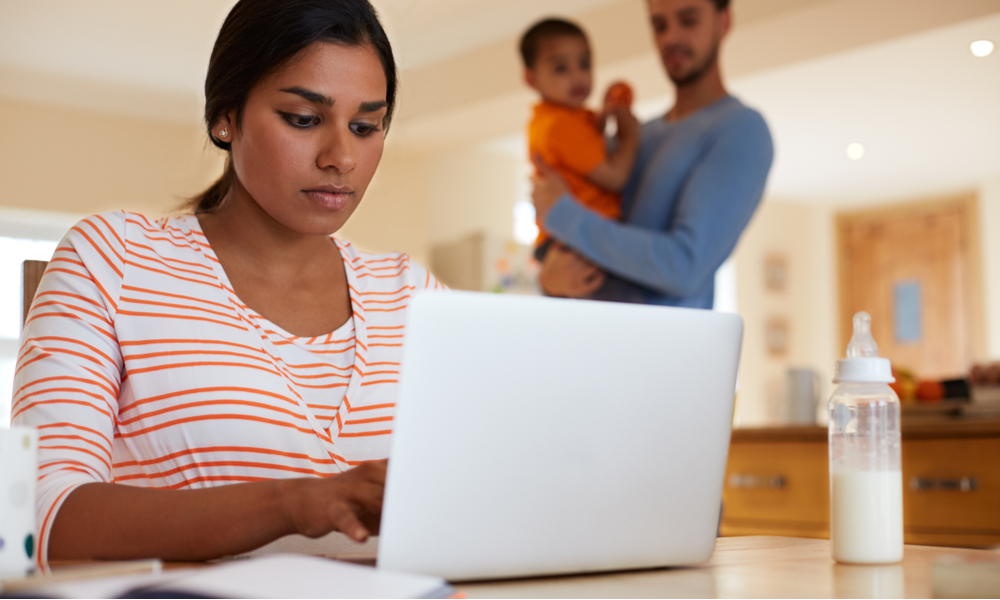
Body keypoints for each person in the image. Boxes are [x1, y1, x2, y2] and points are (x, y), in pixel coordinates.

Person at [12, 0, 442, 563]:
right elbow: (42, 517)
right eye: (304, 119)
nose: (342, 157)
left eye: (365, 127)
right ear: (226, 117)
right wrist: (292, 505)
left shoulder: (414, 295)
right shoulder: (112, 258)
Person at [532, 0, 774, 307]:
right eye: (659, 25)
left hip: (666, 352)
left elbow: (684, 266)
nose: (671, 37)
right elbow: (582, 246)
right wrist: (548, 280)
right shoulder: (634, 138)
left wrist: (562, 215)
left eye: (688, 20)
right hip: (592, 344)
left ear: (723, 22)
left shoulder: (740, 129)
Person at [518, 18, 640, 260]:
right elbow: (614, 177)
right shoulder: (560, 126)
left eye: (584, 64)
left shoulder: (554, 119)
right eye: (561, 68)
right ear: (532, 79)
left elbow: (584, 152)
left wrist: (603, 120)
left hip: (562, 236)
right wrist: (630, 136)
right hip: (573, 241)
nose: (577, 76)